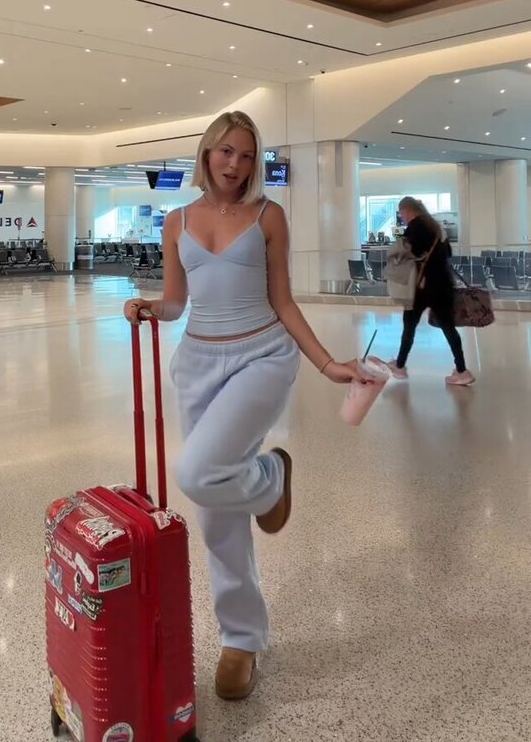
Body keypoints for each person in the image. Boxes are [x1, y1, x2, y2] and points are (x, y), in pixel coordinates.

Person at [124, 111, 373, 701]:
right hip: (197, 363)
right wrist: (150, 307)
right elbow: (179, 302)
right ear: (207, 153)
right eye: (225, 152)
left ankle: (269, 479)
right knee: (215, 508)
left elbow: (282, 300)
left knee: (198, 473)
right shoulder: (178, 220)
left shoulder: (268, 216)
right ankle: (241, 638)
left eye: (245, 154)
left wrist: (327, 364)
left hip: (262, 355)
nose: (234, 165)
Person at [388, 197, 474, 386]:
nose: (402, 218)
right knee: (448, 328)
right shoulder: (436, 227)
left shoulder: (414, 228)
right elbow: (448, 252)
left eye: (402, 214)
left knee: (409, 326)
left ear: (406, 211)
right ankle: (462, 370)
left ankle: (400, 366)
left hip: (421, 287)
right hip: (443, 284)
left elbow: (403, 255)